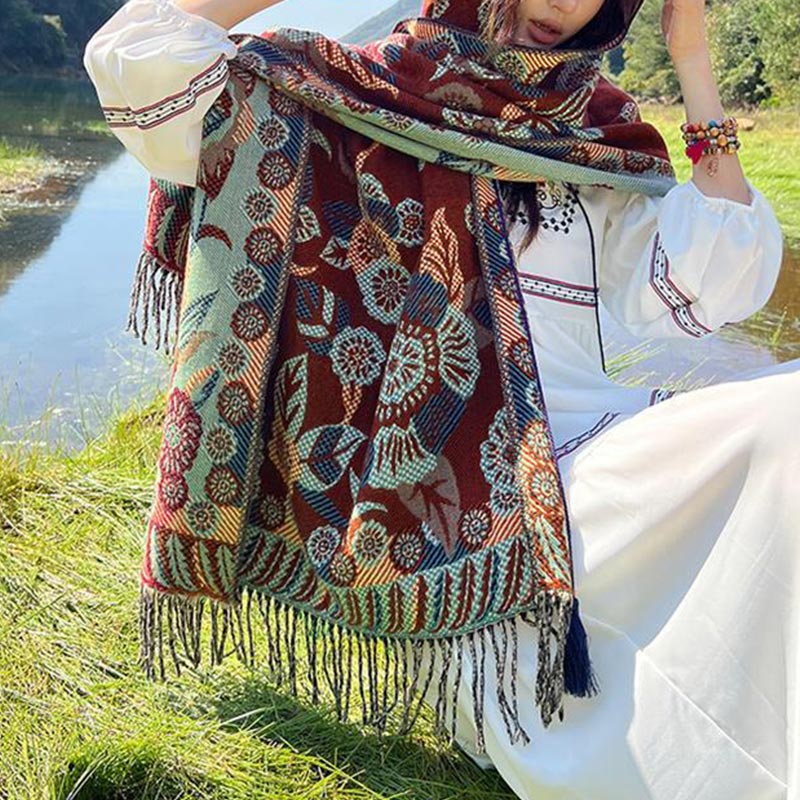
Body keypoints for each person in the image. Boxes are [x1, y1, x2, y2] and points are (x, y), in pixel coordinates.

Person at [83, 0, 800, 797]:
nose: (569, 3)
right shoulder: (351, 91)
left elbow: (720, 277)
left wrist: (692, 57)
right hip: (472, 502)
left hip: (604, 448)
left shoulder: (591, 130)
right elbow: (140, 57)